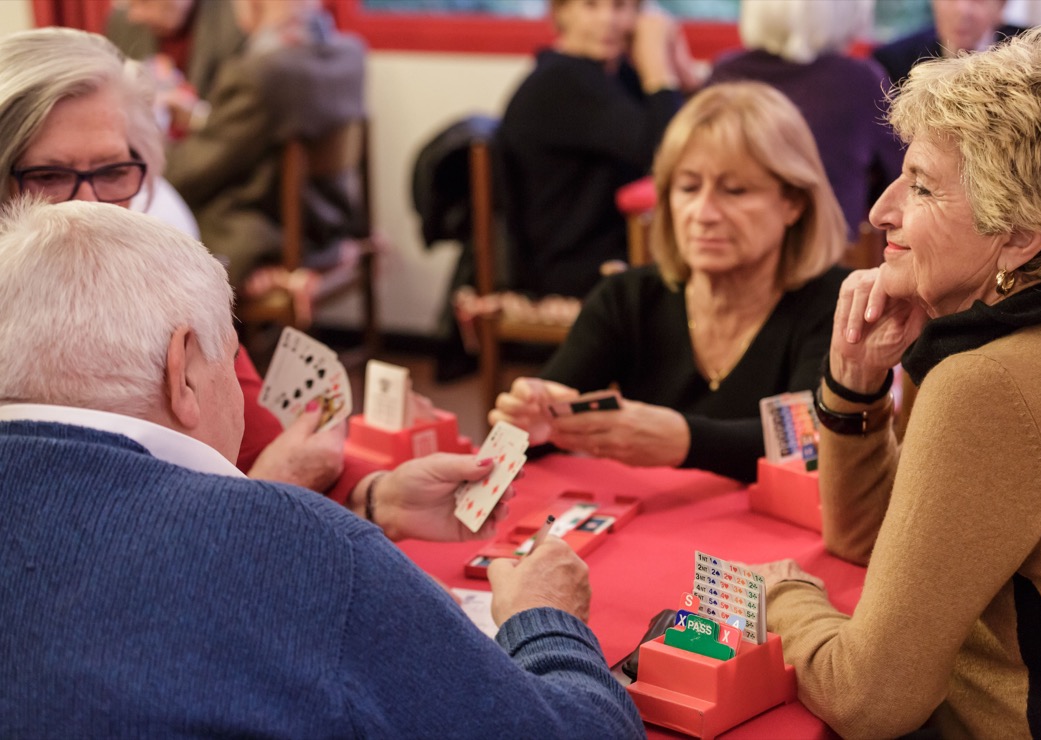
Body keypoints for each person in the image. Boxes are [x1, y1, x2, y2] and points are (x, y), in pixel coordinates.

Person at [0, 198, 643, 737]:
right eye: (233, 355)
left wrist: (363, 505)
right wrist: (548, 620)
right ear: (184, 370)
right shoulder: (302, 546)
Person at [748, 27, 1041, 736]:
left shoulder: (990, 385)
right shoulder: (1030, 343)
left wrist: (782, 594)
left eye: (920, 186)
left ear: (1020, 235)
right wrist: (856, 388)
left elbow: (869, 699)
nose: (883, 211)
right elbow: (889, 543)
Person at [0, 26, 369, 504]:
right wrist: (261, 496)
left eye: (113, 172)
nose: (89, 205)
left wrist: (376, 492)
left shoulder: (159, 272)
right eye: (49, 176)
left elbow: (262, 443)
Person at [492, 82, 847, 483]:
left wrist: (685, 440)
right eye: (688, 187)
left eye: (734, 190)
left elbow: (812, 444)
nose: (703, 212)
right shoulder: (626, 297)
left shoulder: (836, 302)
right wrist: (530, 422)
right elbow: (533, 431)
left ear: (794, 202)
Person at [163, 0, 366, 303]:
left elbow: (192, 173)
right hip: (328, 221)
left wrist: (150, 147)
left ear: (252, 8)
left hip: (271, 235)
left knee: (157, 208)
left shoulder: (260, 72)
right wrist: (200, 118)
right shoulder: (348, 53)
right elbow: (265, 131)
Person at [497, 0, 697, 299]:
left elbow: (698, 142)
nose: (608, 20)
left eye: (620, 6)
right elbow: (668, 156)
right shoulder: (562, 80)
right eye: (591, 5)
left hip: (610, 249)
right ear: (559, 14)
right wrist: (657, 65)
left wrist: (683, 71)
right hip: (570, 267)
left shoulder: (614, 76)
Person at [707, 0, 902, 241]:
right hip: (827, 257)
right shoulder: (859, 81)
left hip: (730, 245)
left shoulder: (725, 74)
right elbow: (899, 178)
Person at [105, 0, 244, 102]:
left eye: (144, 2)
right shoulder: (121, 22)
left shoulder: (236, 21)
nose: (134, 17)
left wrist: (194, 117)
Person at [872, 0, 1025, 86]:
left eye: (978, 1)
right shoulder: (893, 61)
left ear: (1001, 7)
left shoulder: (1033, 53)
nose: (962, 10)